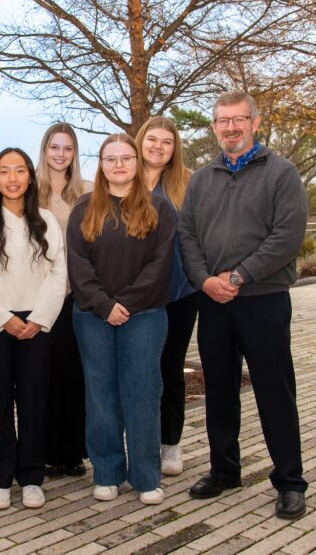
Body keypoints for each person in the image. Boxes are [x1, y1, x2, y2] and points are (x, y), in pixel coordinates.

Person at [178, 90, 309, 520]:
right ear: (214, 126)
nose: (230, 127)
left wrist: (238, 276)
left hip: (264, 300)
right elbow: (188, 237)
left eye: (238, 119)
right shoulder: (201, 179)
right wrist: (204, 280)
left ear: (254, 122)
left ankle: (290, 481)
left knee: (274, 391)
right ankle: (224, 470)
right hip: (213, 302)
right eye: (222, 120)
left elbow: (286, 237)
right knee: (219, 390)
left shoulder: (281, 173)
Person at [66, 133, 176, 505]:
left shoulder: (160, 208)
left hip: (144, 316)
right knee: (101, 395)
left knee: (143, 394)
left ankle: (146, 477)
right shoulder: (84, 208)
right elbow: (78, 266)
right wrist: (103, 305)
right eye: (110, 159)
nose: (118, 165)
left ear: (137, 162)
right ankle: (108, 473)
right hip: (92, 317)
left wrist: (124, 304)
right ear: (101, 164)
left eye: (126, 158)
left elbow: (160, 266)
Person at [0, 148, 67, 511]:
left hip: (38, 323)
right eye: (4, 171)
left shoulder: (46, 221)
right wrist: (3, 318)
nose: (12, 178)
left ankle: (32, 477)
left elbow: (58, 274)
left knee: (34, 400)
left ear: (29, 176)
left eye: (19, 170)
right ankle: (1, 477)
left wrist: (39, 319)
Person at [135, 116, 198, 477]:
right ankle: (138, 441)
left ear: (175, 149)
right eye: (152, 140)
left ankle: (170, 444)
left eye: (167, 142)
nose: (158, 146)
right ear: (141, 142)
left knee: (169, 369)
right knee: (137, 371)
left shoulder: (187, 185)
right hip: (133, 296)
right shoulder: (123, 180)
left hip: (178, 294)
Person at [35, 123, 90, 478]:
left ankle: (72, 453)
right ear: (45, 150)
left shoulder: (86, 192)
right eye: (54, 147)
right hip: (37, 295)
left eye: (67, 148)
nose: (60, 154)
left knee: (73, 375)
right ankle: (42, 450)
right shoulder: (30, 191)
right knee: (41, 375)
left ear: (74, 153)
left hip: (77, 295)